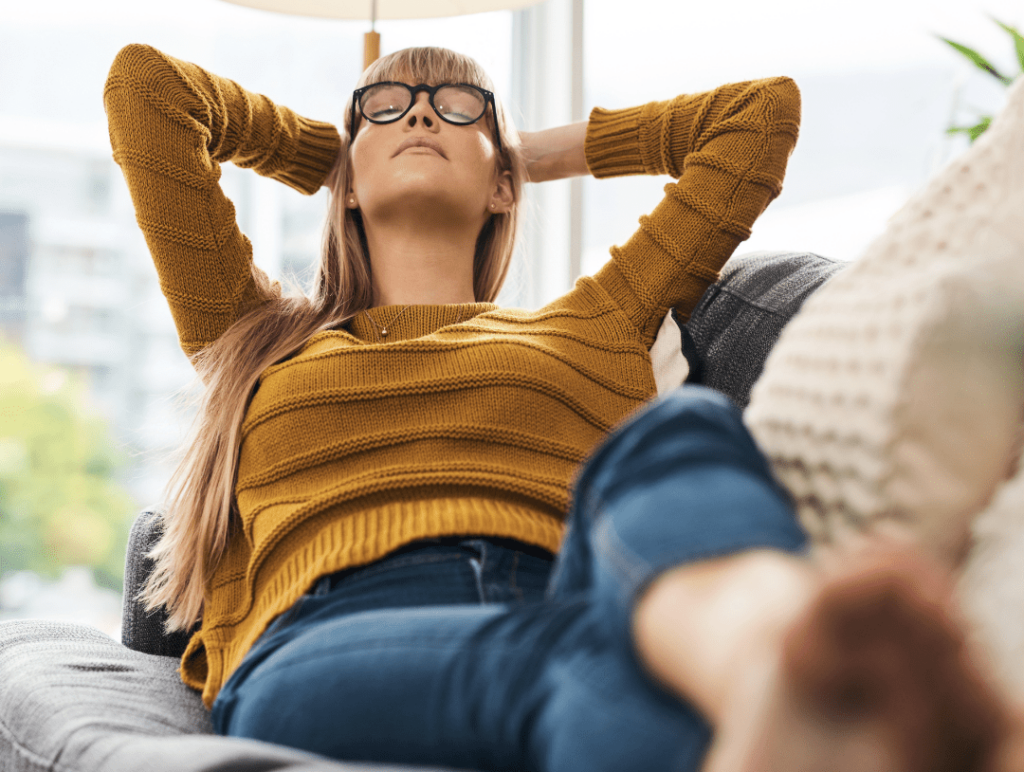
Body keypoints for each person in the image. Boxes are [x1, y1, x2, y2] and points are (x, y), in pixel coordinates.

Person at [104, 43, 1017, 772]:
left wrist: (533, 153)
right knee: (586, 687)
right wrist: (337, 156)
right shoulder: (256, 334)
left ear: (505, 183)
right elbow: (148, 91)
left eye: (460, 105)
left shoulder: (597, 322)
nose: (421, 109)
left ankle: (775, 654)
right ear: (344, 171)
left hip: (592, 597)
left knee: (682, 428)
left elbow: (757, 116)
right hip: (336, 635)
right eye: (385, 103)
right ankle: (793, 697)